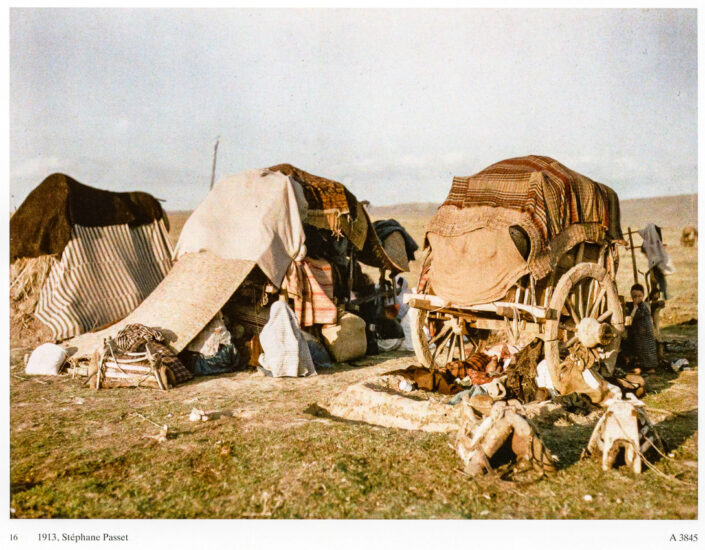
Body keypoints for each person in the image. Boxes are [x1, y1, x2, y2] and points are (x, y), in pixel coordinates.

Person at [623, 283, 659, 373]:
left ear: (643, 296)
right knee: (640, 350)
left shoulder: (643, 307)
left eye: (639, 296)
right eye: (634, 296)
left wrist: (634, 307)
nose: (637, 298)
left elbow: (632, 317)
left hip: (645, 333)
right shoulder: (635, 306)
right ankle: (643, 367)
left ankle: (650, 368)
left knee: (647, 350)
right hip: (639, 333)